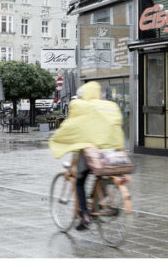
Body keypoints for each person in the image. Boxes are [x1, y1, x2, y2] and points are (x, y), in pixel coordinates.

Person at [48, 80, 125, 231]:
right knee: (101, 176)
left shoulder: (81, 106)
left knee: (80, 180)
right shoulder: (110, 106)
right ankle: (99, 200)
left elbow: (70, 125)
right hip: (112, 154)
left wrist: (59, 139)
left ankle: (85, 215)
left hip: (92, 154)